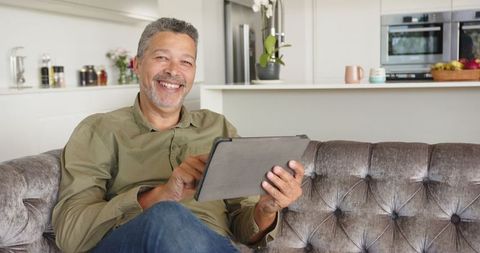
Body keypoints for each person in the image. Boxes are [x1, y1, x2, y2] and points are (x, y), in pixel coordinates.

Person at [52, 17, 305, 253]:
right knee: (167, 215)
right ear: (137, 64)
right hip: (134, 241)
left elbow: (244, 230)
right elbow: (70, 234)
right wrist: (160, 195)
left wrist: (266, 209)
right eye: (162, 57)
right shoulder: (100, 129)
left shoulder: (217, 127)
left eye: (186, 62)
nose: (174, 71)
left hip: (212, 244)